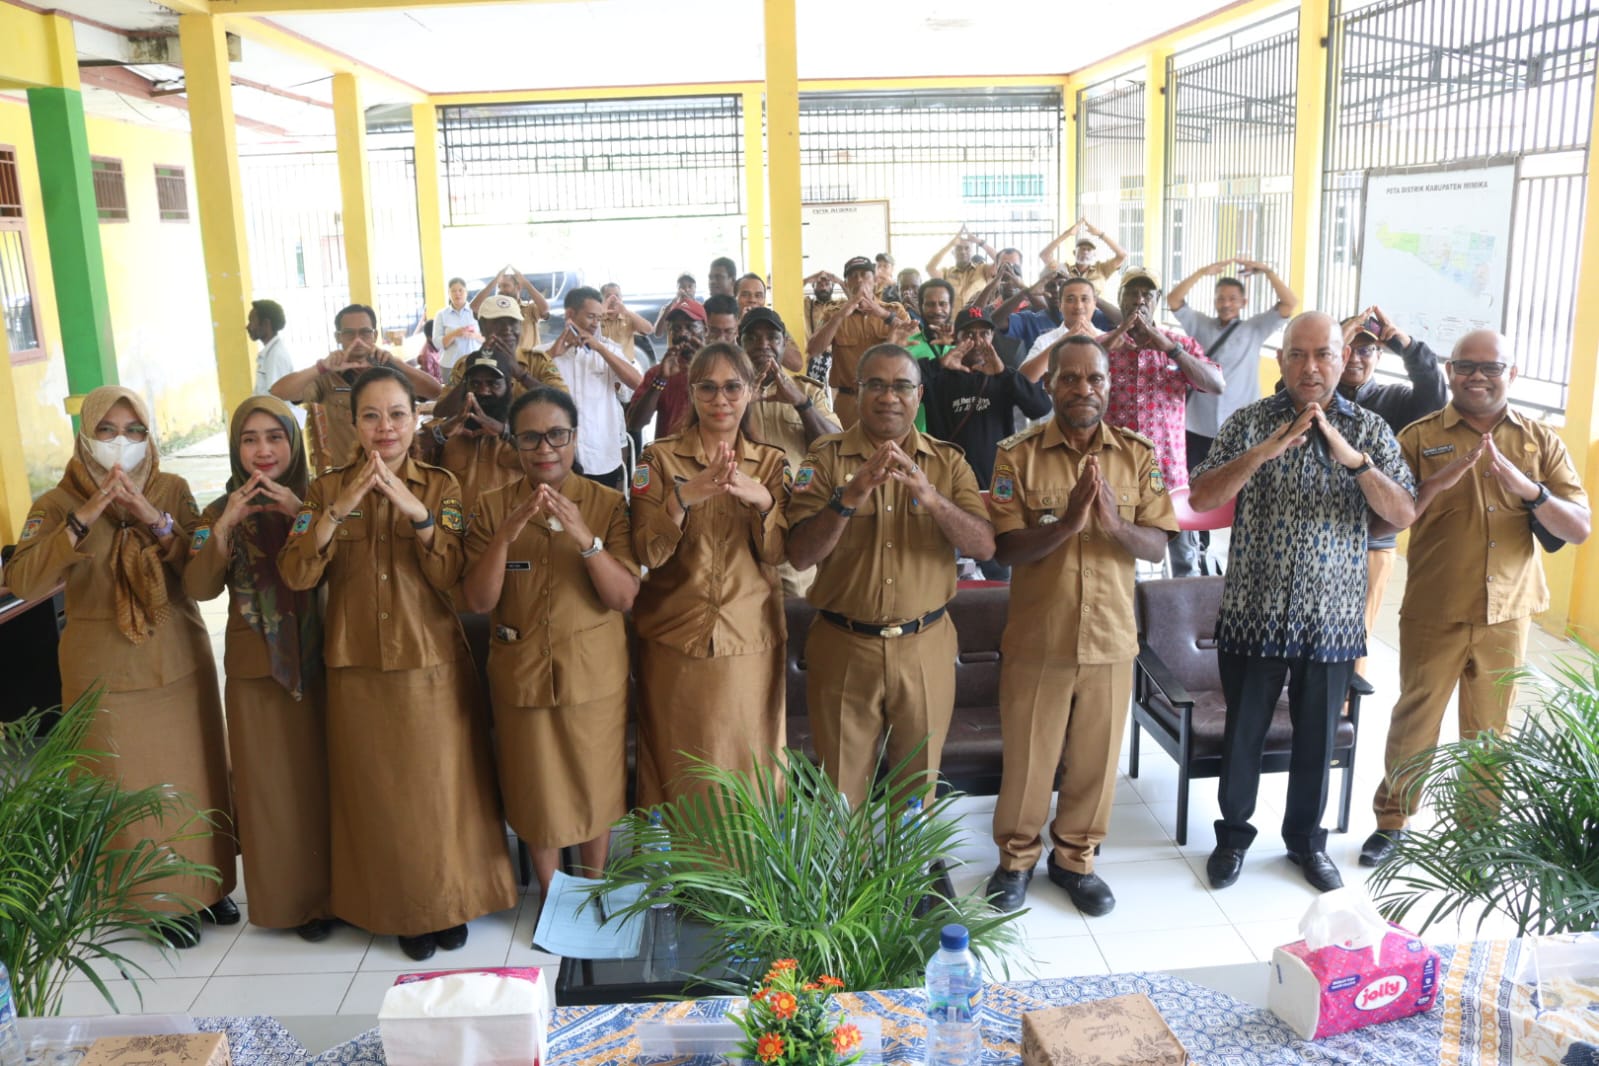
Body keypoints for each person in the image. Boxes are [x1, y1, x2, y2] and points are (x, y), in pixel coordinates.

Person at [278, 365, 517, 961]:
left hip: (430, 660)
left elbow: (453, 575)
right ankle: (402, 911)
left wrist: (418, 514)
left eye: (397, 414)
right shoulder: (325, 490)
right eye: (371, 415)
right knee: (378, 795)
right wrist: (339, 510)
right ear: (353, 422)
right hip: (356, 665)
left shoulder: (442, 486)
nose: (385, 427)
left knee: (442, 792)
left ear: (416, 420)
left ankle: (450, 903)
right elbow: (296, 574)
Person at [1189, 312, 1416, 894]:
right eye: (1298, 354)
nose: (1310, 367)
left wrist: (1355, 461)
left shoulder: (1370, 430)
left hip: (1332, 618)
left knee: (1318, 739)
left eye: (1323, 354)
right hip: (1253, 610)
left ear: (1343, 359)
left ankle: (1306, 844)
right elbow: (1203, 495)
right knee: (1244, 732)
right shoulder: (1248, 422)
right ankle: (1232, 838)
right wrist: (1261, 453)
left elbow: (1402, 511)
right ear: (1281, 358)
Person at [6, 386, 237, 948]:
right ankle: (153, 901)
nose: (121, 442)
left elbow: (200, 569)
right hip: (104, 671)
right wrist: (85, 517)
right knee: (126, 787)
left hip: (178, 658)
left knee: (195, 777)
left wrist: (151, 517)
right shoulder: (56, 503)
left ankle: (207, 886)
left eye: (134, 430)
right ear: (86, 436)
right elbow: (24, 581)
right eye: (106, 430)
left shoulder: (172, 488)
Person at [1360, 330, 1590, 868]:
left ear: (1514, 373)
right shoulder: (1418, 438)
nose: (1477, 377)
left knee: (1491, 729)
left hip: (1508, 612)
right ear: (1449, 371)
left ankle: (1479, 833)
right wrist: (1431, 487)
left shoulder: (1540, 441)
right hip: (1435, 607)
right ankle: (1392, 820)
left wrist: (1531, 491)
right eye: (1466, 365)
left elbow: (1579, 527)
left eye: (1491, 367)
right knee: (1415, 719)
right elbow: (1378, 522)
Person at [984, 335, 1178, 915]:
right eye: (1069, 378)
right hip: (1039, 640)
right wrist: (1067, 523)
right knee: (1029, 761)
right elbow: (1005, 550)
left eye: (1094, 378)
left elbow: (1157, 544)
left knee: (1095, 762)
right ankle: (1016, 859)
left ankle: (1075, 860)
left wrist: (1114, 525)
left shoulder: (1137, 455)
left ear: (1109, 385)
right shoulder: (1016, 455)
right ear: (1049, 386)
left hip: (1112, 639)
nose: (1083, 389)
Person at [787, 344, 995, 807]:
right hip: (843, 647)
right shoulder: (824, 459)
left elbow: (984, 546)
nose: (888, 397)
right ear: (857, 392)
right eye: (876, 385)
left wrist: (932, 498)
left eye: (901, 386)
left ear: (918, 395)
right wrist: (849, 496)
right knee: (841, 793)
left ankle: (909, 856)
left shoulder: (947, 462)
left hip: (925, 645)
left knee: (918, 791)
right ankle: (848, 857)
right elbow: (800, 555)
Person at [462, 387, 641, 898]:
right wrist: (504, 537)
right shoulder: (492, 507)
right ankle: (551, 895)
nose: (545, 448)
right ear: (514, 443)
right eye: (531, 437)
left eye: (557, 435)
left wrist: (585, 538)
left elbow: (623, 596)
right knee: (536, 789)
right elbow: (478, 600)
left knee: (595, 785)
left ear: (575, 438)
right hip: (522, 674)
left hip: (593, 675)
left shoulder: (608, 504)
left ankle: (594, 887)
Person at [183, 397, 331, 942]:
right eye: (249, 439)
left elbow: (347, 567)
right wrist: (225, 526)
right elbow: (198, 586)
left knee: (326, 782)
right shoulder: (214, 512)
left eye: (275, 437)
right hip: (256, 672)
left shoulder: (322, 498)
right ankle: (291, 904)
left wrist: (301, 514)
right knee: (270, 790)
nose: (263, 450)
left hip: (325, 660)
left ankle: (341, 895)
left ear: (293, 442)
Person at [628, 342, 790, 806]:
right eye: (708, 388)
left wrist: (764, 502)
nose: (721, 399)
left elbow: (779, 554)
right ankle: (682, 854)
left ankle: (746, 856)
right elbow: (647, 552)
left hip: (749, 638)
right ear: (692, 392)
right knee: (680, 767)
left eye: (732, 387)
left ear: (751, 391)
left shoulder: (772, 463)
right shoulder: (658, 460)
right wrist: (682, 499)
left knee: (747, 771)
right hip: (674, 639)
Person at [1334, 306, 1448, 682]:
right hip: (1314, 529)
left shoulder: (1397, 400)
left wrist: (1406, 345)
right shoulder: (1312, 395)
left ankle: (1345, 708)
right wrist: (1331, 344)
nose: (1356, 358)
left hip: (1372, 538)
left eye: (1366, 349)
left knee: (1354, 634)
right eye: (1348, 347)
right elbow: (1285, 393)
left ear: (1380, 356)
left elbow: (1434, 394)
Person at [1166, 259, 1299, 577]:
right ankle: (1197, 552)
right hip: (1197, 425)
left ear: (1243, 302)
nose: (1225, 303)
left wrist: (1267, 271)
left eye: (1232, 298)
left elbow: (1289, 303)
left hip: (1241, 429)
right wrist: (1202, 272)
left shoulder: (1254, 328)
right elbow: (1174, 300)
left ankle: (1247, 553)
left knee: (1246, 491)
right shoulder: (1200, 326)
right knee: (1195, 490)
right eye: (1221, 298)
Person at [740, 307, 840, 597]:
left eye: (772, 337)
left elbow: (836, 449)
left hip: (796, 523)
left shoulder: (809, 392)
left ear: (784, 343)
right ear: (739, 343)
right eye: (752, 338)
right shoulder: (726, 393)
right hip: (740, 524)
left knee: (796, 609)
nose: (763, 345)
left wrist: (801, 404)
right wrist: (741, 403)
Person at [272, 304, 443, 473]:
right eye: (349, 333)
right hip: (349, 476)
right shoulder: (329, 376)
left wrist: (396, 363)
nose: (357, 340)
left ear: (375, 335)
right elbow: (279, 392)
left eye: (365, 333)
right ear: (338, 337)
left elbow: (434, 391)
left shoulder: (392, 372)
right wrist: (321, 367)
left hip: (396, 473)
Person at [1099, 269, 1224, 501]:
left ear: (1157, 300)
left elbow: (1217, 384)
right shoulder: (1101, 345)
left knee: (1174, 527)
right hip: (1113, 471)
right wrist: (1113, 339)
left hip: (1167, 475)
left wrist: (1172, 350)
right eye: (1131, 293)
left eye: (1147, 294)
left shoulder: (1179, 344)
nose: (1139, 300)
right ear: (1120, 298)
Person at [919, 306, 1052, 490]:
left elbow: (1041, 408)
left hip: (996, 482)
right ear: (956, 338)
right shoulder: (938, 378)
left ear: (992, 337)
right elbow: (900, 384)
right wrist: (938, 365)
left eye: (984, 334)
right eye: (969, 335)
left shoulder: (1003, 377)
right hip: (949, 481)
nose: (978, 341)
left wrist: (1004, 374)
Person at [545, 286, 643, 490]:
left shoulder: (609, 350)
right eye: (590, 317)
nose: (595, 324)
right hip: (558, 458)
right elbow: (525, 389)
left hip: (600, 458)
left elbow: (639, 384)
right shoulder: (545, 353)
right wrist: (553, 354)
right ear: (570, 314)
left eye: (599, 318)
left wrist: (600, 349)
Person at [805, 256, 912, 429]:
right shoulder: (833, 313)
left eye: (864, 275)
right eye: (853, 276)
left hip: (888, 398)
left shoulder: (893, 309)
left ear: (874, 280)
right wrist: (841, 314)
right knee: (848, 446)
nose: (859, 280)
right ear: (846, 284)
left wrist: (881, 313)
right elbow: (813, 349)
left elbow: (915, 337)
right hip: (849, 402)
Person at [421, 355, 522, 515]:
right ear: (465, 388)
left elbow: (549, 462)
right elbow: (407, 454)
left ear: (509, 386)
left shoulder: (525, 430)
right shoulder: (450, 428)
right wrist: (441, 433)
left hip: (507, 526)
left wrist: (505, 432)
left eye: (493, 384)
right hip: (452, 525)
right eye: (475, 384)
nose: (483, 391)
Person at [434, 294, 567, 416]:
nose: (507, 329)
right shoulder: (465, 364)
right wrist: (472, 374)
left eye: (513, 322)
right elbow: (440, 412)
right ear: (482, 327)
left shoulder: (538, 362)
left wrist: (521, 374)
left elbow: (565, 405)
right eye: (499, 323)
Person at [628, 299, 705, 441]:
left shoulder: (720, 368)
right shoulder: (658, 373)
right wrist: (660, 380)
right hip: (670, 453)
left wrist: (706, 365)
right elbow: (634, 424)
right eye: (676, 329)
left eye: (690, 327)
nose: (683, 334)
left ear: (705, 330)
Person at [1041, 217, 1129, 319]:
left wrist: (1100, 234)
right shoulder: (1064, 269)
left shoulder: (1102, 269)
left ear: (1094, 254)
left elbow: (1122, 255)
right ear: (1074, 253)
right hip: (1069, 315)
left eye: (1089, 250)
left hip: (1096, 317)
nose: (1085, 252)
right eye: (1082, 249)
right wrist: (1067, 234)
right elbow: (1045, 255)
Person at [1021, 276, 1104, 378]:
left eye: (1084, 299)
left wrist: (1099, 343)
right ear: (1060, 305)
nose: (1078, 306)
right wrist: (1062, 342)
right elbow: (1022, 379)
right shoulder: (1045, 341)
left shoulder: (1107, 339)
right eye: (1070, 300)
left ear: (1094, 304)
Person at [470, 264, 551, 356]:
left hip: (528, 361)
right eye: (499, 287)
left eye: (505, 286)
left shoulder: (529, 308)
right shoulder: (494, 309)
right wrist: (494, 281)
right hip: (503, 361)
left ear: (518, 287)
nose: (501, 290)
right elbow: (474, 307)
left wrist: (525, 283)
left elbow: (545, 309)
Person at [733, 273, 804, 370]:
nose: (752, 300)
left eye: (758, 295)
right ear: (735, 298)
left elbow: (797, 365)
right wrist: (738, 328)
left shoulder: (773, 324)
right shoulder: (725, 324)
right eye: (745, 295)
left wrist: (774, 340)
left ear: (764, 300)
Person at [925, 226, 998, 309]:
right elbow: (930, 268)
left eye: (967, 248)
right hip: (953, 317)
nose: (963, 252)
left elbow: (1000, 260)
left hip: (977, 316)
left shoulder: (983, 270)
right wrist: (950, 244)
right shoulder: (946, 272)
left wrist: (979, 242)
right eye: (958, 248)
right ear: (953, 252)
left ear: (972, 251)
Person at [599, 282, 655, 365]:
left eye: (617, 296)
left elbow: (648, 330)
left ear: (621, 298)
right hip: (602, 364)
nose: (613, 299)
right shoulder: (597, 318)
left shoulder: (628, 316)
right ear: (602, 300)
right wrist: (601, 312)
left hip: (626, 364)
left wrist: (626, 311)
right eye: (608, 296)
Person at [434, 278, 479, 372]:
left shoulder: (476, 311)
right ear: (448, 293)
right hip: (450, 365)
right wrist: (455, 334)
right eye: (453, 291)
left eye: (460, 290)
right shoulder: (441, 314)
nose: (457, 294)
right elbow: (437, 342)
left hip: (474, 363)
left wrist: (474, 335)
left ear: (466, 292)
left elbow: (484, 339)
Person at [249, 299, 293, 396]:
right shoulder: (270, 352)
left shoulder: (275, 355)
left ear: (266, 324)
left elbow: (275, 399)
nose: (248, 327)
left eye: (252, 321)